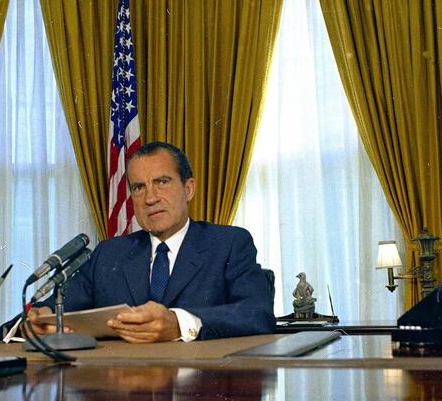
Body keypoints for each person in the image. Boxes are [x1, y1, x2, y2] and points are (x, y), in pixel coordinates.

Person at [18, 141, 275, 343]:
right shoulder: (109, 254)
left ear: (188, 189)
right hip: (123, 394)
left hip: (201, 393)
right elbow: (43, 313)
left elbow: (257, 314)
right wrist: (34, 322)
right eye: (139, 187)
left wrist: (178, 323)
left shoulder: (228, 243)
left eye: (162, 182)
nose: (150, 198)